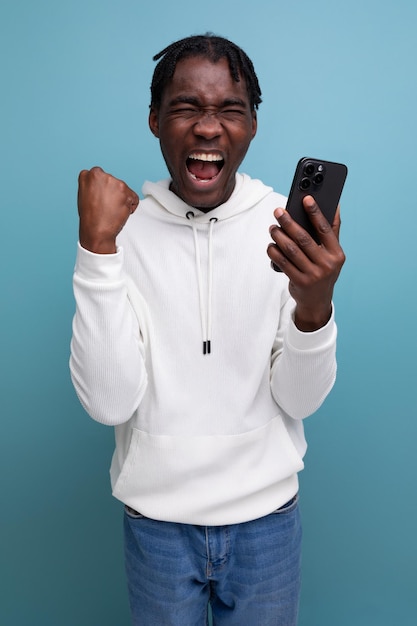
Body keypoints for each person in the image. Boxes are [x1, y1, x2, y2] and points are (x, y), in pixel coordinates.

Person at [70, 34, 345, 626]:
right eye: (187, 107)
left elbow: (301, 399)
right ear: (154, 120)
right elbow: (108, 402)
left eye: (229, 110)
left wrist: (314, 306)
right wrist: (96, 250)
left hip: (267, 520)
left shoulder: (283, 227)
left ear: (251, 126)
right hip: (158, 526)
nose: (208, 128)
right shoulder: (120, 232)